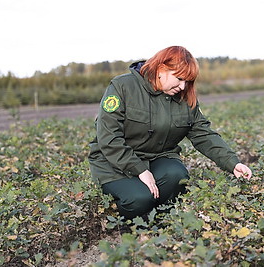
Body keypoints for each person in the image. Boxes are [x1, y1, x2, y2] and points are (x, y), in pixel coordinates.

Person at [88, 46, 252, 220]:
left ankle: (161, 224)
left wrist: (233, 163)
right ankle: (127, 225)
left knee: (177, 176)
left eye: (187, 81)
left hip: (157, 158)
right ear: (161, 68)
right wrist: (140, 170)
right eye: (179, 78)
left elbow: (204, 134)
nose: (182, 86)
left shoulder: (184, 98)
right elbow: (109, 138)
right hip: (115, 163)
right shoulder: (123, 86)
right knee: (139, 198)